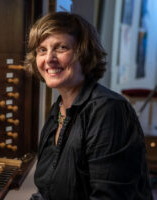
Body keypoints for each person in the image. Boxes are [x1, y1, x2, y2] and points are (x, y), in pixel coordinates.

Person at [25, 12, 153, 200]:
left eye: (61, 48)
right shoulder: (59, 109)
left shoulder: (108, 110)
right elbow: (47, 191)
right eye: (42, 50)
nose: (49, 58)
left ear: (84, 54)